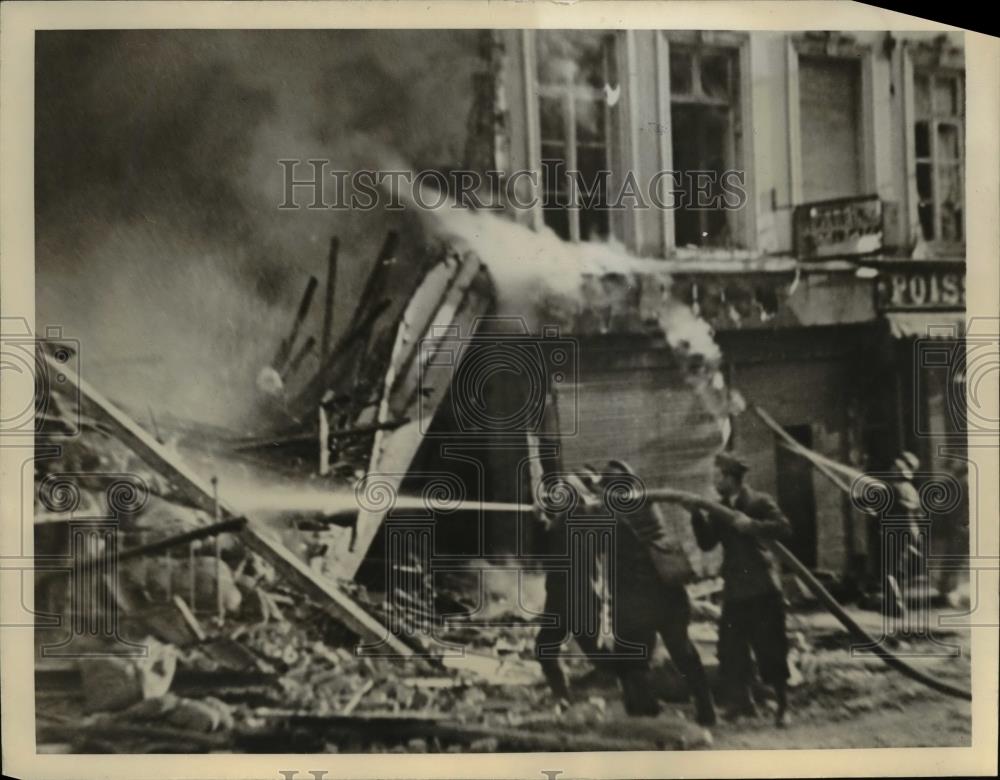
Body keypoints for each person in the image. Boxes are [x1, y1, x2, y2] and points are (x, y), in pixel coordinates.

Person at [534, 462, 717, 727]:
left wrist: (556, 513)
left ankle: (645, 715)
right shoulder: (647, 506)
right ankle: (704, 707)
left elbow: (581, 526)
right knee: (682, 651)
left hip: (638, 602)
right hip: (670, 596)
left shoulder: (614, 513)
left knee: (634, 661)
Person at [688, 452, 793, 727]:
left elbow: (784, 528)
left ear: (731, 478)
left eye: (717, 476)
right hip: (735, 591)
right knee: (731, 649)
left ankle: (783, 706)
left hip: (762, 589)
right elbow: (707, 543)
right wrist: (697, 516)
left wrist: (753, 525)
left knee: (771, 649)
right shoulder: (720, 509)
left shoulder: (759, 501)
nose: (714, 480)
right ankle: (743, 703)